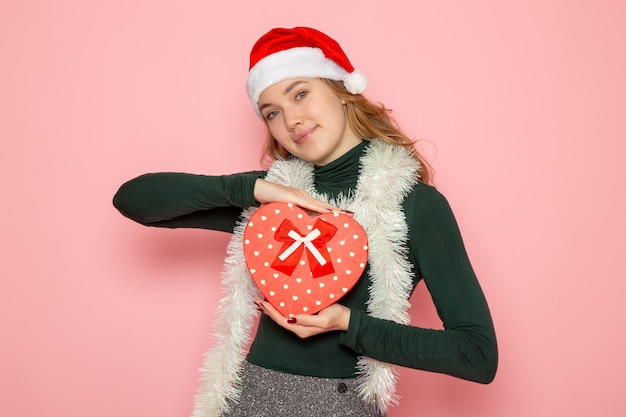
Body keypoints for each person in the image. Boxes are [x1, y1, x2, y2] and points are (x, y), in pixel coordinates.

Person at [113, 26, 498, 417]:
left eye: (300, 93)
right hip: (252, 398)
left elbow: (476, 354)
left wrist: (347, 324)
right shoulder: (271, 207)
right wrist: (258, 189)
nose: (292, 120)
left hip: (343, 404)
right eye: (272, 113)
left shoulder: (416, 206)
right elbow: (134, 201)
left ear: (341, 90)